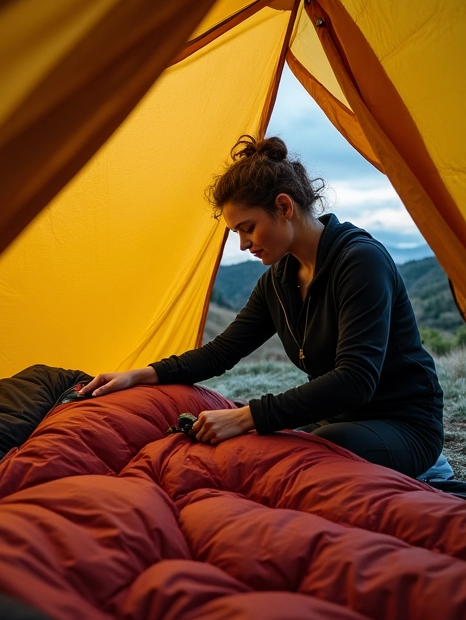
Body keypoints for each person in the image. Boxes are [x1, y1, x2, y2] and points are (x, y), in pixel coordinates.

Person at [81, 135, 444, 478]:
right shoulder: (279, 280)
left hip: (404, 425)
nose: (242, 245)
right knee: (254, 451)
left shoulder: (360, 261)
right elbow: (222, 352)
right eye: (237, 232)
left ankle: (433, 474)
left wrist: (246, 416)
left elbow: (356, 380)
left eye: (248, 228)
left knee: (308, 453)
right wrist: (138, 375)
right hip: (336, 420)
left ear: (284, 207)